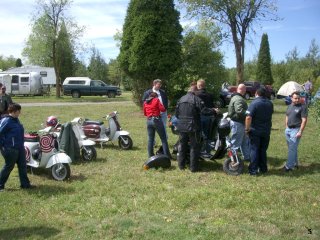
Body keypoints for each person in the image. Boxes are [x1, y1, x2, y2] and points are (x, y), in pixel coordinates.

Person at [0, 103, 34, 191]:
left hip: (20, 147)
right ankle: (0, 185)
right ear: (14, 111)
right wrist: (3, 146)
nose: (20, 113)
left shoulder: (16, 120)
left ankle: (25, 184)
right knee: (9, 167)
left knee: (22, 166)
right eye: (19, 111)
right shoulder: (6, 121)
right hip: (10, 148)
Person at [245, 87, 274, 175]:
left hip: (255, 130)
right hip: (266, 130)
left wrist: (247, 129)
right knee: (263, 150)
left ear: (257, 93)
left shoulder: (254, 103)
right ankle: (263, 168)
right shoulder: (270, 103)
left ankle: (253, 170)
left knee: (254, 149)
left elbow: (248, 117)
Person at [176, 84, 203, 172]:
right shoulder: (197, 99)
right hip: (193, 127)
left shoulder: (181, 99)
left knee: (182, 145)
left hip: (182, 126)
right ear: (195, 91)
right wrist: (214, 111)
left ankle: (181, 166)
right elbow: (203, 110)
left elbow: (177, 114)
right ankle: (193, 168)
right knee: (194, 147)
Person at [282, 91, 308, 172]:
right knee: (292, 148)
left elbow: (304, 120)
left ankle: (288, 167)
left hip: (296, 130)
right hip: (288, 130)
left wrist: (300, 131)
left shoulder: (303, 107)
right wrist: (286, 127)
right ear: (291, 98)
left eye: (298, 98)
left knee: (292, 149)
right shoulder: (289, 106)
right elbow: (287, 116)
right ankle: (295, 164)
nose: (297, 100)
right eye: (295, 98)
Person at [143, 92, 170, 158]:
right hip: (157, 120)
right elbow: (163, 109)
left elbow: (145, 113)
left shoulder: (145, 102)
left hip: (149, 120)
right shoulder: (156, 100)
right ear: (156, 97)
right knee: (163, 139)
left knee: (150, 139)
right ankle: (167, 156)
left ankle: (150, 155)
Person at [228, 83, 250, 161]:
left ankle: (247, 157)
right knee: (236, 143)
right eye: (245, 89)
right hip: (238, 123)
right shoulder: (238, 98)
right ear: (243, 90)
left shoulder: (236, 97)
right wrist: (248, 113)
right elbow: (239, 110)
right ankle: (233, 160)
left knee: (244, 141)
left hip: (239, 122)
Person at [195, 79, 216, 157]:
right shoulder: (210, 95)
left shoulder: (195, 94)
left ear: (199, 86)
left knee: (198, 134)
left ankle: (199, 150)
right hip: (208, 116)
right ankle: (207, 150)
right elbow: (212, 106)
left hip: (199, 116)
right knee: (207, 134)